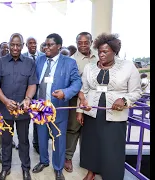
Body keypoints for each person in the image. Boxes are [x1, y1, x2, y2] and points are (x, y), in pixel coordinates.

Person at [78, 33, 142, 180]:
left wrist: (124, 99)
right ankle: (92, 170)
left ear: (114, 51)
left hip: (115, 114)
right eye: (99, 51)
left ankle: (111, 174)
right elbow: (84, 90)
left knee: (111, 146)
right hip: (92, 112)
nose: (101, 55)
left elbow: (137, 91)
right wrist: (80, 110)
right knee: (91, 143)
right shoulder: (89, 67)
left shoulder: (128, 66)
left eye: (105, 52)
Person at [32, 33, 81, 180]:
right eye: (45, 45)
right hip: (40, 108)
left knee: (59, 139)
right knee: (41, 137)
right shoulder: (39, 60)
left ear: (59, 46)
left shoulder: (69, 63)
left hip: (58, 108)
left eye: (50, 45)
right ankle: (43, 161)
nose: (46, 47)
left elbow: (77, 83)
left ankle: (58, 168)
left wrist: (65, 92)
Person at [0, 33, 38, 180]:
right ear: (9, 45)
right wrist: (5, 101)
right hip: (5, 109)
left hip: (23, 110)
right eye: (13, 44)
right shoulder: (0, 62)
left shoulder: (29, 63)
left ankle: (26, 169)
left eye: (18, 45)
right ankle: (6, 168)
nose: (15, 47)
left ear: (22, 45)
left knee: (24, 140)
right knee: (6, 141)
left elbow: (32, 84)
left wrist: (28, 99)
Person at [65, 32, 98, 173]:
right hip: (76, 98)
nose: (83, 45)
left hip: (94, 99)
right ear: (76, 43)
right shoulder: (72, 60)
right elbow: (74, 82)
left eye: (86, 42)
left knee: (90, 130)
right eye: (80, 42)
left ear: (91, 42)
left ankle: (88, 160)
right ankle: (68, 158)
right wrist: (81, 98)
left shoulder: (98, 56)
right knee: (73, 128)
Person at [22, 36, 45, 153]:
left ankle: (37, 144)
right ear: (26, 45)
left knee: (38, 119)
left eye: (34, 43)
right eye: (30, 43)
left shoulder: (43, 56)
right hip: (27, 94)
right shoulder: (23, 58)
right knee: (25, 121)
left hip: (40, 93)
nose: (33, 45)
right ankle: (24, 143)